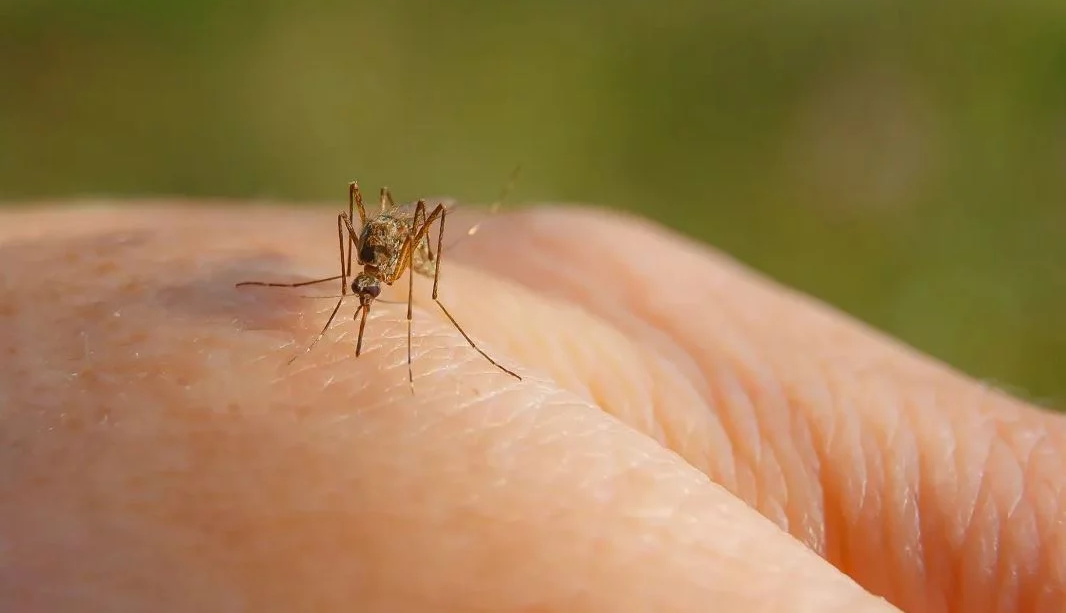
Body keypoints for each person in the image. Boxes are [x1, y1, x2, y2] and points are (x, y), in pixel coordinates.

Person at [0, 202, 1061, 612]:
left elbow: (406, 234)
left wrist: (432, 304)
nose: (364, 299)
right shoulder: (356, 271)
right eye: (365, 284)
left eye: (368, 284)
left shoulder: (404, 258)